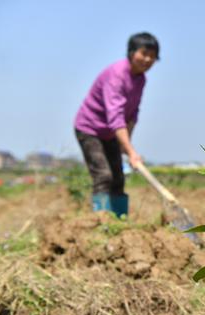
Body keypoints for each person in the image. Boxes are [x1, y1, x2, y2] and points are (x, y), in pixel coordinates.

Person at [74, 32, 159, 217]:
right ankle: (102, 222)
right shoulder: (117, 75)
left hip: (112, 132)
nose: (148, 59)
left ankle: (120, 221)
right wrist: (131, 151)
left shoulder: (141, 79)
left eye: (152, 56)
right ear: (131, 52)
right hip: (90, 129)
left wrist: (125, 144)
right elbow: (115, 116)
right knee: (103, 175)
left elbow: (132, 113)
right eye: (144, 53)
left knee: (118, 178)